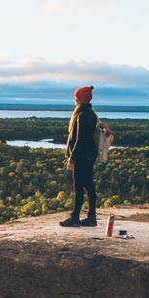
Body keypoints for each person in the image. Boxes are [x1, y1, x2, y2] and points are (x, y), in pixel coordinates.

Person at [60, 85, 98, 227]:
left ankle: (75, 217)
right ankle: (92, 217)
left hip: (81, 156)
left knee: (78, 188)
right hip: (90, 155)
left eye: (76, 97)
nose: (74, 100)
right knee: (89, 186)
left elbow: (79, 139)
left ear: (79, 99)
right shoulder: (92, 114)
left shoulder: (81, 116)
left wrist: (72, 158)